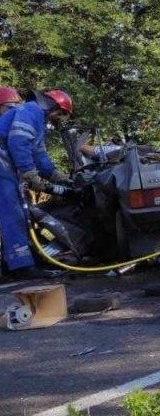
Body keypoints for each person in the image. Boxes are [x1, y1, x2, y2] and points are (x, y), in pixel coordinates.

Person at [0, 89, 74, 279]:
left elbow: (39, 154)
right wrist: (29, 173)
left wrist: (57, 176)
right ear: (55, 107)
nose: (61, 119)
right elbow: (18, 141)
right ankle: (20, 267)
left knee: (23, 212)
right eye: (62, 114)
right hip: (3, 164)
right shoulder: (32, 110)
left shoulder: (38, 120)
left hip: (7, 165)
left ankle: (20, 261)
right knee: (13, 213)